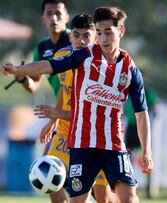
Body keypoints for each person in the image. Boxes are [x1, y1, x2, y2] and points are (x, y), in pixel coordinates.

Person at [2, 6, 153, 203]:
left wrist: (147, 151)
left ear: (121, 31)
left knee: (126, 199)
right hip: (83, 146)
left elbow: (142, 114)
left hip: (114, 145)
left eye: (108, 32)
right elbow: (49, 66)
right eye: (99, 33)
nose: (104, 38)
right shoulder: (83, 56)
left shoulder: (130, 70)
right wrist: (18, 71)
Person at [34, 14, 119, 203]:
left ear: (95, 37)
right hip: (66, 133)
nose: (81, 41)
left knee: (103, 198)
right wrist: (52, 122)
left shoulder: (103, 68)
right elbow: (64, 93)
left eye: (86, 36)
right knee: (48, 172)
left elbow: (91, 116)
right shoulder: (62, 57)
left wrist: (58, 114)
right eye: (76, 35)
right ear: (70, 36)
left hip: (95, 137)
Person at [16, 0, 71, 97]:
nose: (53, 18)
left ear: (67, 17)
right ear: (43, 19)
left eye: (58, 13)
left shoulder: (76, 40)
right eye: (49, 13)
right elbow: (34, 85)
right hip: (61, 108)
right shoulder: (42, 47)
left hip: (82, 106)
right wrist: (22, 78)